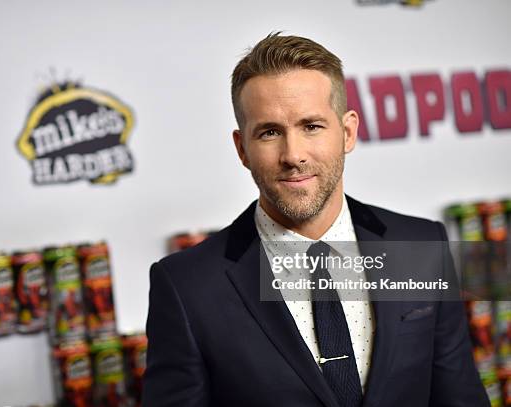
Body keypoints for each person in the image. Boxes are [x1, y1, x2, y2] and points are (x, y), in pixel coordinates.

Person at [142, 33, 488, 406]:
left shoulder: (420, 247)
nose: (294, 155)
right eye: (270, 132)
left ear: (348, 131)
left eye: (311, 126)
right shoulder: (187, 287)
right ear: (242, 149)